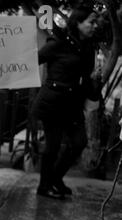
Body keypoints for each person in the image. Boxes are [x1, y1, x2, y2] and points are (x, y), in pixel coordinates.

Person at [33, 6, 101, 200]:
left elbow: (85, 76)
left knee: (79, 142)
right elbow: (33, 60)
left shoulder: (88, 46)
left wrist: (93, 80)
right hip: (53, 103)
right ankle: (44, 187)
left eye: (96, 22)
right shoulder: (59, 42)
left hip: (73, 104)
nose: (95, 26)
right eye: (91, 22)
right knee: (52, 146)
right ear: (78, 22)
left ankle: (55, 178)